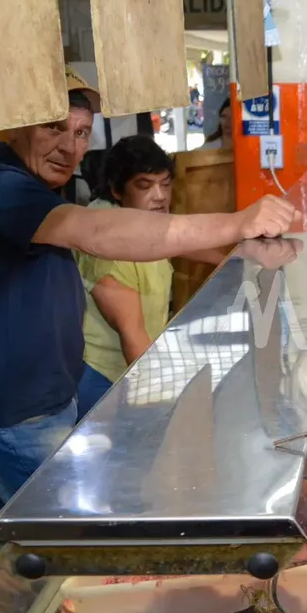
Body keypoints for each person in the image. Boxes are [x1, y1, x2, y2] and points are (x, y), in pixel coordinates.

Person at [0, 68, 300, 507]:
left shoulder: (36, 185)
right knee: (77, 527)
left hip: (49, 396)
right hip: (12, 411)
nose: (69, 147)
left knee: (23, 520)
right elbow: (95, 231)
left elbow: (148, 239)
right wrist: (236, 222)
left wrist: (239, 249)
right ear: (19, 124)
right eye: (54, 128)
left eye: (80, 133)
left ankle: (13, 569)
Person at [75, 136, 229, 418]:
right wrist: (166, 404)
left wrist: (229, 260)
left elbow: (177, 239)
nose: (160, 196)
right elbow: (132, 336)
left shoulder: (143, 219)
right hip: (107, 379)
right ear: (117, 190)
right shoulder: (109, 241)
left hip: (138, 362)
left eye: (166, 183)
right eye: (145, 185)